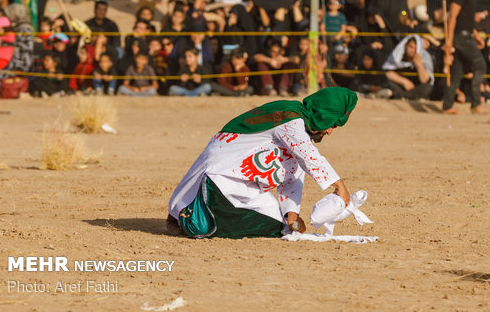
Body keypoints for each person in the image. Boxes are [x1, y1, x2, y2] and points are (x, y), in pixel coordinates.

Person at [166, 87, 357, 238]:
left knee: (279, 225)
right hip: (219, 177)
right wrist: (339, 185)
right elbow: (309, 157)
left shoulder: (299, 126)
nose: (330, 131)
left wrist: (291, 213)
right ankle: (189, 218)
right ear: (324, 114)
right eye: (332, 124)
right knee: (213, 226)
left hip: (244, 185)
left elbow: (293, 175)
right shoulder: (291, 118)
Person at [441, 0, 487, 114]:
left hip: (466, 35)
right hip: (461, 37)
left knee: (456, 72)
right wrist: (449, 41)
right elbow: (452, 17)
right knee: (480, 65)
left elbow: (467, 20)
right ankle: (475, 103)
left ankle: (447, 105)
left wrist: (476, 35)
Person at [383, 35, 434, 100]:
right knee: (387, 81)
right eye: (411, 47)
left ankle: (401, 96)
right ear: (406, 46)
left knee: (427, 88)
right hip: (401, 85)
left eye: (416, 48)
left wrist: (419, 65)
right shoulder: (398, 55)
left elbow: (425, 80)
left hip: (415, 88)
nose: (413, 50)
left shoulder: (425, 58)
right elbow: (387, 72)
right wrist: (404, 82)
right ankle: (405, 96)